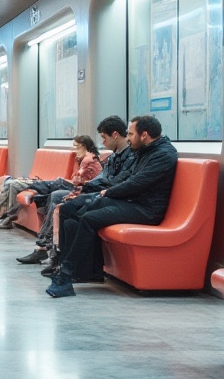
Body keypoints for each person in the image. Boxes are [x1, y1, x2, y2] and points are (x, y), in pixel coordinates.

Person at [46, 115, 179, 298]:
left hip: (146, 210)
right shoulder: (145, 151)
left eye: (131, 134)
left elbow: (136, 183)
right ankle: (73, 268)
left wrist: (107, 193)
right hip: (131, 202)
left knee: (88, 218)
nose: (129, 137)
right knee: (70, 208)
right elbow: (127, 178)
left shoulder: (164, 155)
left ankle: (67, 275)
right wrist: (96, 192)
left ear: (144, 135)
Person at [27, 116, 135, 270]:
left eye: (104, 137)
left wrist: (85, 187)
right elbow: (103, 178)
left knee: (60, 196)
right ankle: (51, 250)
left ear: (115, 134)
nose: (102, 142)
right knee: (55, 195)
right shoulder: (113, 156)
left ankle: (53, 253)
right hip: (97, 190)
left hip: (104, 194)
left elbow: (112, 181)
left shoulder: (127, 156)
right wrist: (85, 187)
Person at [0, 135, 101, 229]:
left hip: (64, 186)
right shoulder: (86, 159)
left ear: (84, 146)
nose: (74, 150)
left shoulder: (87, 159)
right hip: (56, 183)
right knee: (11, 184)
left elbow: (77, 180)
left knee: (12, 184)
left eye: (76, 147)